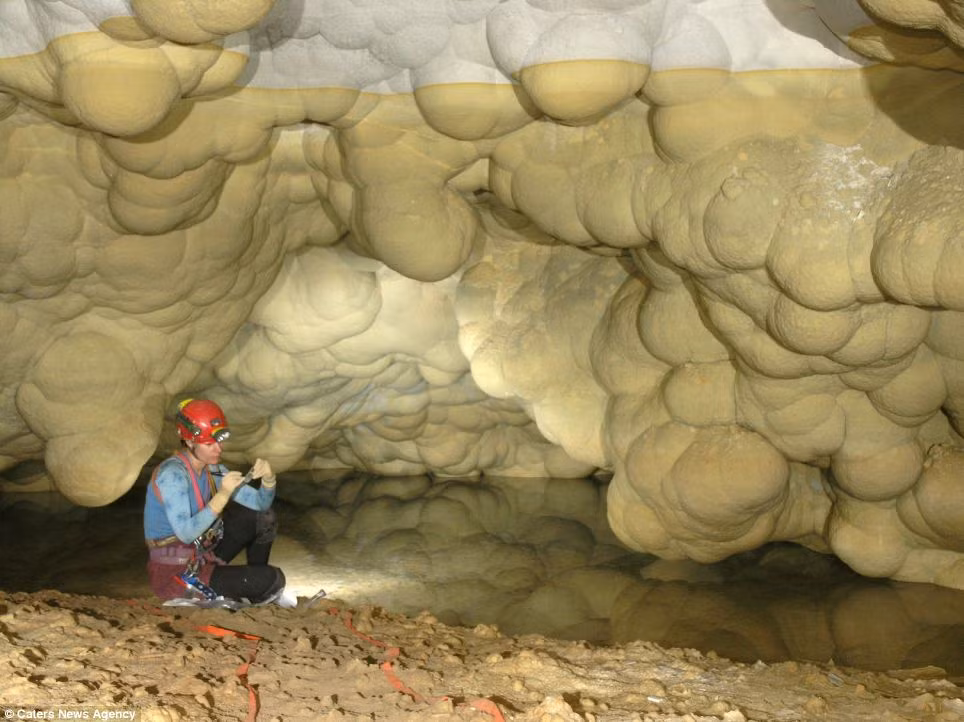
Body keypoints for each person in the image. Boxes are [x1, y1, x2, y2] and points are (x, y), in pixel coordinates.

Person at [144, 398, 288, 605]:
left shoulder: (213, 470)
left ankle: (254, 582)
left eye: (219, 442)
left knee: (264, 518)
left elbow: (260, 504)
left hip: (203, 553)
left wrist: (268, 480)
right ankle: (249, 585)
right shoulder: (172, 475)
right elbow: (186, 534)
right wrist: (222, 495)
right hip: (175, 570)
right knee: (273, 579)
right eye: (209, 444)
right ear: (190, 442)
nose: (218, 449)